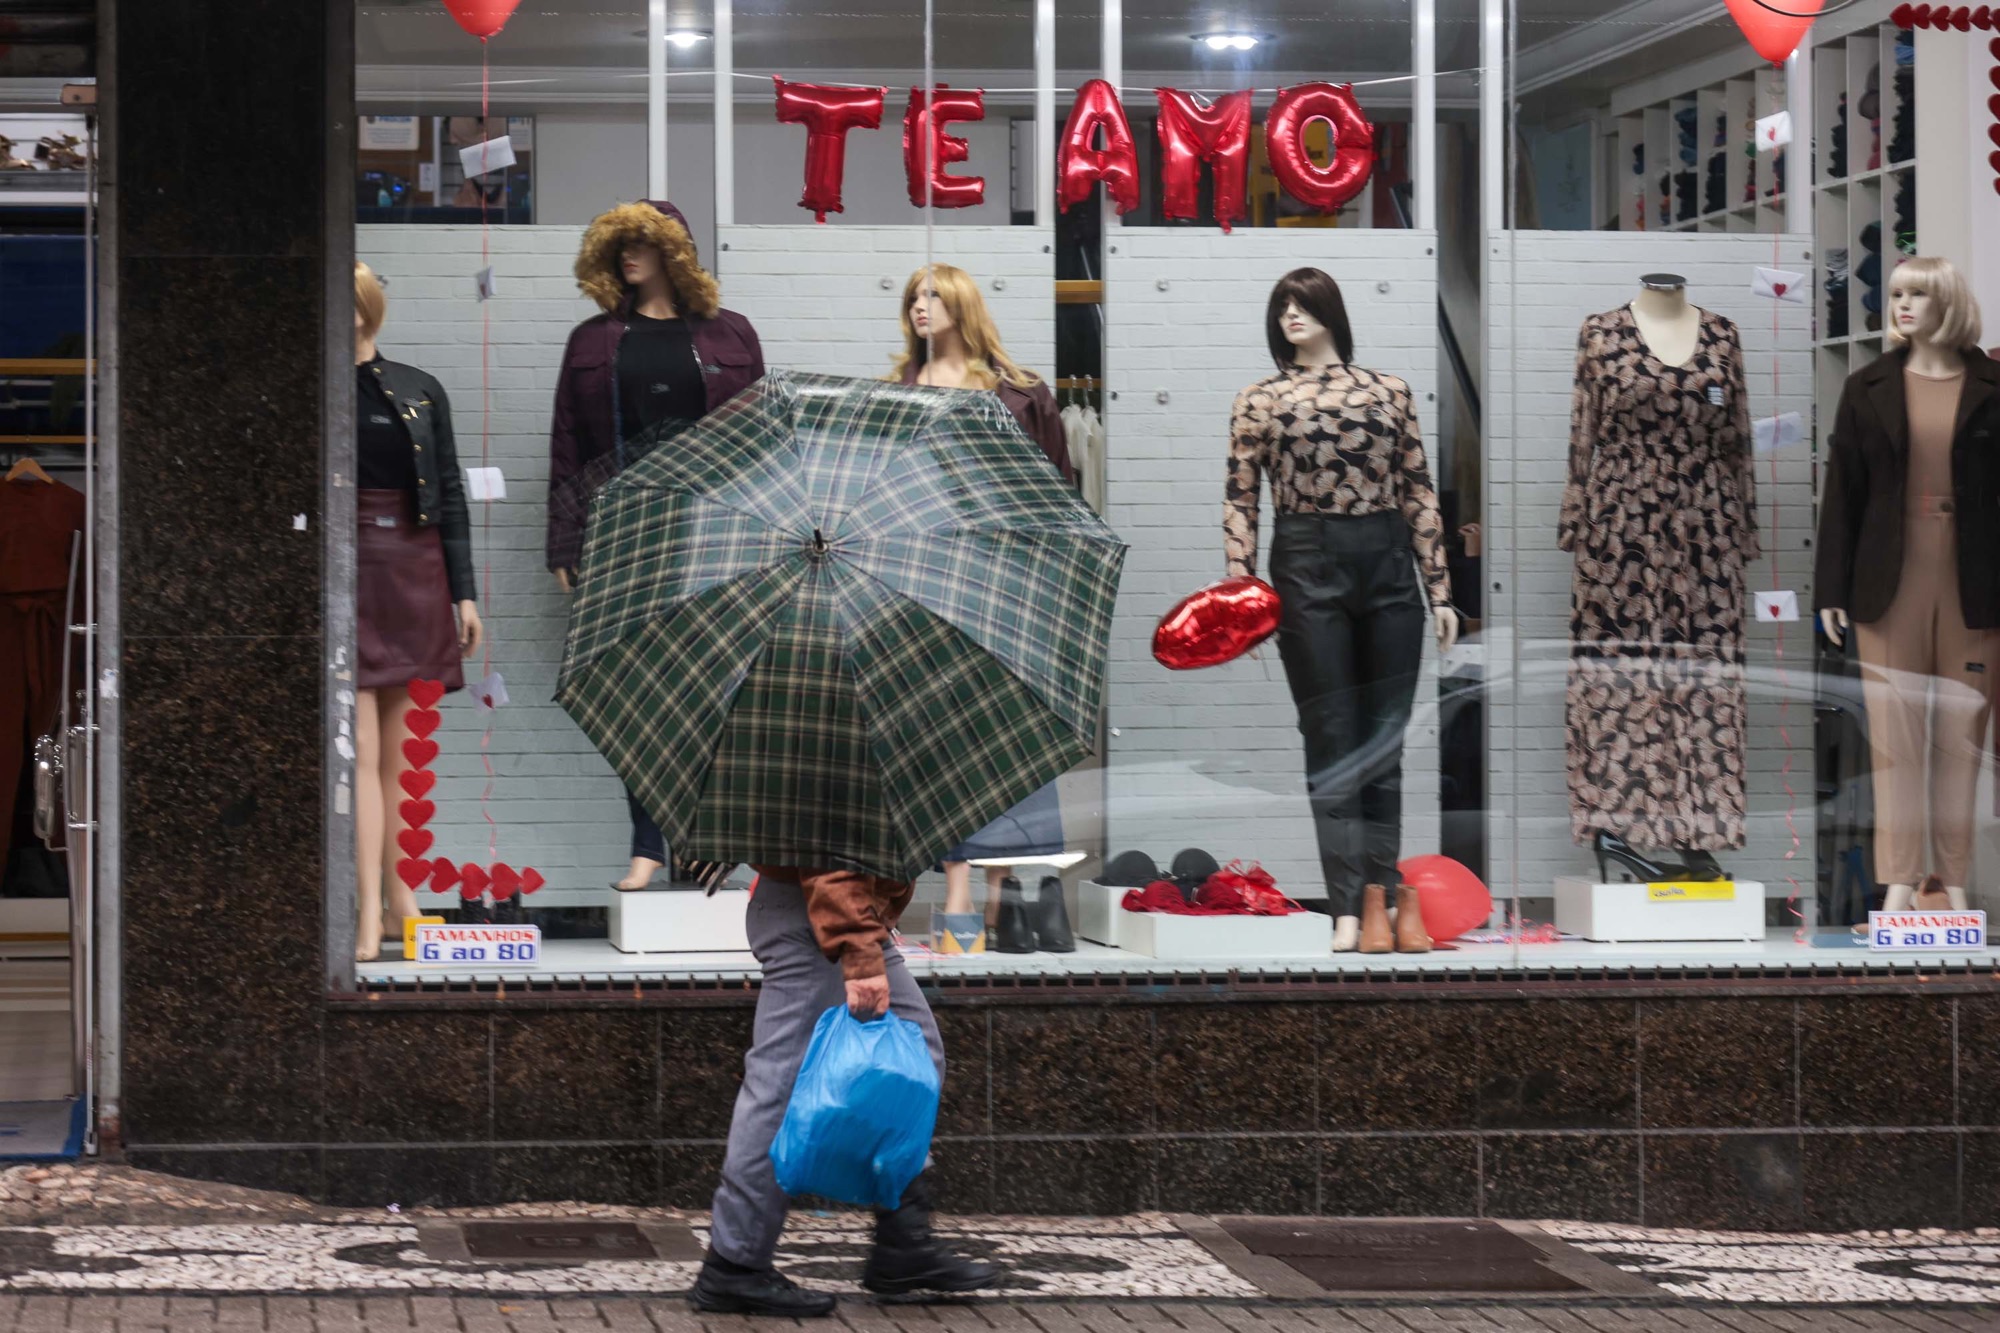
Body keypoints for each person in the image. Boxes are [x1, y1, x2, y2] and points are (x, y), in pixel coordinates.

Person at [544, 199, 764, 892]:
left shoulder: (732, 333)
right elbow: (567, 443)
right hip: (625, 532)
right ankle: (647, 845)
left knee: (715, 690)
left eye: (641, 244)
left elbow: (764, 436)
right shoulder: (592, 341)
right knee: (638, 691)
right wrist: (565, 540)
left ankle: (707, 844)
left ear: (675, 252)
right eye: (619, 246)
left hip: (716, 531)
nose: (628, 256)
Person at [690, 863, 1001, 1315]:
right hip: (823, 912)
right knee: (781, 1087)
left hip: (848, 910)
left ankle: (903, 1238)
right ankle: (734, 1265)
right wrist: (858, 951)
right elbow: (827, 852)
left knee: (915, 1049)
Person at [889, 264, 1073, 943]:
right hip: (926, 578)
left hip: (1006, 582)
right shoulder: (895, 394)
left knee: (1009, 735)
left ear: (962, 304)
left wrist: (1048, 583)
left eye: (933, 295)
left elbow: (1059, 497)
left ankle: (1002, 893)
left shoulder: (1021, 394)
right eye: (913, 297)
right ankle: (960, 886)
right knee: (941, 737)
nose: (921, 306)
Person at [352, 261, 482, 962]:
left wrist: (465, 592)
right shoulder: (313, 389)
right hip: (348, 569)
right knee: (359, 755)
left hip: (415, 565)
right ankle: (366, 909)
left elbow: (450, 493)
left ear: (368, 307)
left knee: (401, 761)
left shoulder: (419, 388)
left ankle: (403, 899)